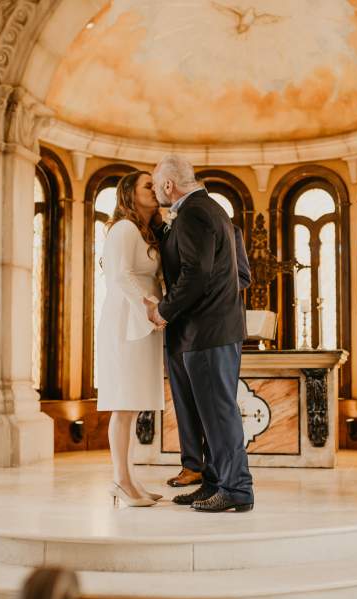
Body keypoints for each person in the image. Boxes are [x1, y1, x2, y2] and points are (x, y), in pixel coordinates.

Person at [145, 154, 254, 513]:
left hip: (208, 331)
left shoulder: (193, 212)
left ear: (167, 185)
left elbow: (196, 274)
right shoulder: (209, 209)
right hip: (207, 330)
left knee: (219, 412)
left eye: (154, 184)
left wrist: (162, 310)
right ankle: (212, 483)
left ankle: (236, 489)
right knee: (209, 412)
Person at [96, 171, 164, 508]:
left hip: (142, 319)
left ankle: (129, 477)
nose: (154, 189)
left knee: (132, 404)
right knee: (123, 404)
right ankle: (120, 480)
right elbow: (120, 275)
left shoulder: (145, 232)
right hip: (126, 319)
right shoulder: (123, 228)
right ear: (129, 194)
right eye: (147, 186)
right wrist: (150, 305)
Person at [165, 223, 251, 489]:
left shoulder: (231, 232)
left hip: (213, 329)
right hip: (177, 327)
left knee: (214, 405)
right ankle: (191, 466)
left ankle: (217, 475)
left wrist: (205, 291)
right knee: (183, 399)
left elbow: (243, 277)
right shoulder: (172, 232)